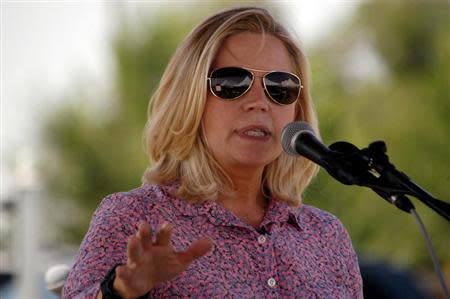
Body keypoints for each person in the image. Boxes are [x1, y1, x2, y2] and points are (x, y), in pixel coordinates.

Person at [63, 6, 363, 299]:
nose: (259, 102)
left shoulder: (326, 235)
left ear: (296, 111)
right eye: (232, 82)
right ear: (190, 98)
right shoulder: (133, 217)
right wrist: (119, 293)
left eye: (280, 87)